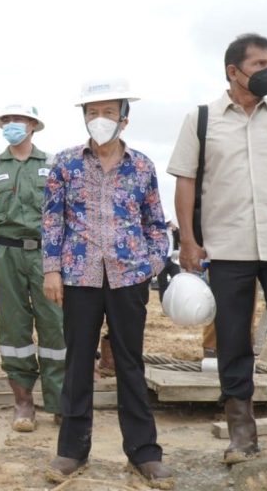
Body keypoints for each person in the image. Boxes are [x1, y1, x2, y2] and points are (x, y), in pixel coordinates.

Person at [167, 33, 267, 464]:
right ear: (233, 71)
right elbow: (185, 180)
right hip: (228, 246)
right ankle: (241, 428)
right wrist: (187, 239)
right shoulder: (202, 119)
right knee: (233, 339)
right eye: (259, 64)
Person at [43, 80, 173, 488]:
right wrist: (51, 269)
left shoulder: (143, 167)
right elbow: (52, 221)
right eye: (92, 112)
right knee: (78, 362)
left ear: (124, 119)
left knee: (129, 364)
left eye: (108, 113)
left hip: (128, 276)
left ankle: (144, 453)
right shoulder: (65, 164)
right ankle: (72, 451)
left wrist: (151, 264)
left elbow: (156, 223)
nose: (99, 120)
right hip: (78, 275)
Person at [0, 103, 65, 433]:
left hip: (46, 256)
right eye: (7, 119)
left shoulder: (52, 165)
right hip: (6, 254)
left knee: (56, 326)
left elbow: (65, 215)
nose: (12, 124)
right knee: (13, 329)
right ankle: (23, 402)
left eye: (18, 119)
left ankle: (60, 402)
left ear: (34, 124)